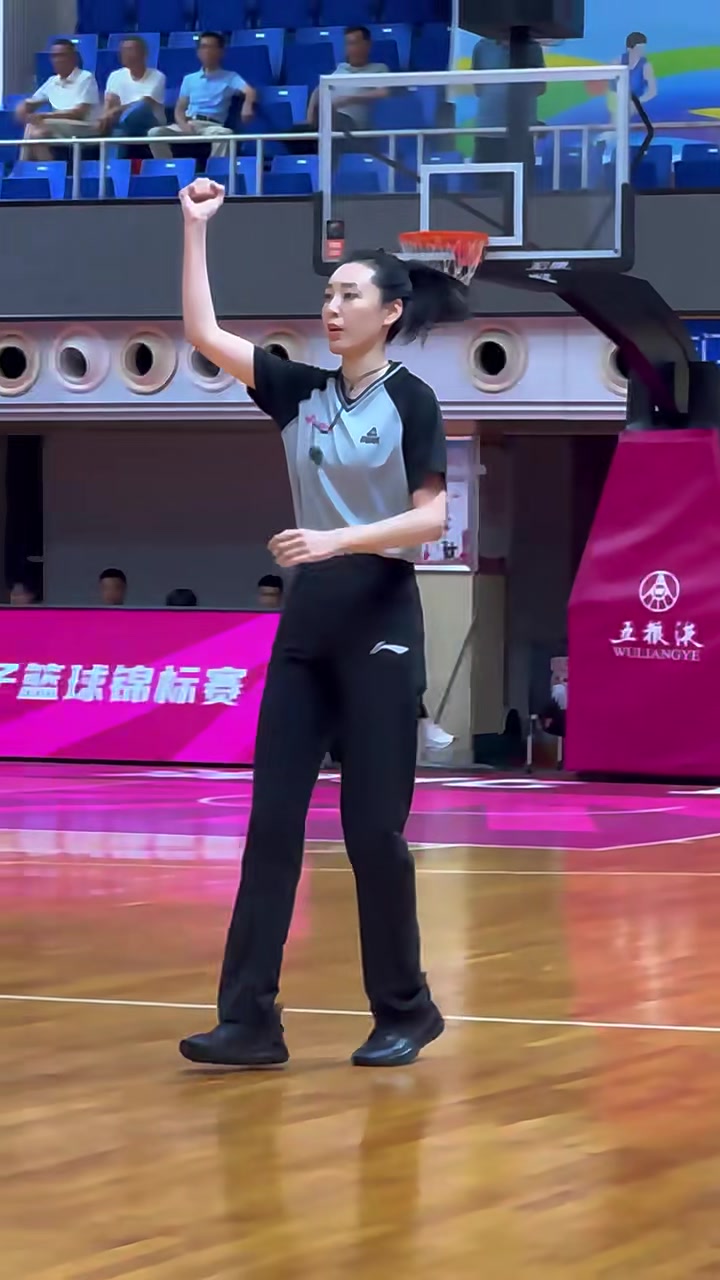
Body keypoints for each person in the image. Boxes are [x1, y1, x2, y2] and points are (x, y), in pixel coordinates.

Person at [177, 176, 468, 1069]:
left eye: (348, 295)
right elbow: (203, 333)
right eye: (328, 295)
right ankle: (249, 1022)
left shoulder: (411, 399)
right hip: (305, 630)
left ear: (389, 312)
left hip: (380, 619)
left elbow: (431, 519)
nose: (331, 308)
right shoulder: (298, 391)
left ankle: (406, 1010)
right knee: (272, 824)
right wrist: (195, 231)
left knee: (372, 832)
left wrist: (337, 539)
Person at [148, 32, 256, 160]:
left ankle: (216, 169)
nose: (207, 51)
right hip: (190, 122)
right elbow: (180, 109)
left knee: (225, 135)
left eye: (212, 47)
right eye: (203, 47)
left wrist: (247, 105)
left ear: (221, 52)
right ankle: (170, 167)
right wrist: (183, 125)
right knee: (155, 133)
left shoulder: (230, 77)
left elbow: (250, 91)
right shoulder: (189, 79)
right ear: (198, 52)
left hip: (212, 126)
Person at [471, 33, 545, 184]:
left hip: (520, 133)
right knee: (486, 189)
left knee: (522, 186)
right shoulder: (482, 47)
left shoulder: (531, 47)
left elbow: (540, 87)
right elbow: (478, 88)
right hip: (488, 131)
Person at [17, 39, 101, 161]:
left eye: (62, 55)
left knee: (36, 124)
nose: (57, 60)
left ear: (73, 58)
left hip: (84, 127)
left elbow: (79, 113)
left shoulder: (85, 78)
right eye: (54, 56)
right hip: (58, 126)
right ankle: (48, 169)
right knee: (37, 134)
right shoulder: (52, 81)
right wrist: (23, 107)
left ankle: (22, 165)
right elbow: (31, 102)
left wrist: (44, 116)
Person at [306, 26, 389, 131]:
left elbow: (384, 92)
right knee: (295, 132)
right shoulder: (340, 68)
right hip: (327, 122)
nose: (350, 49)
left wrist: (348, 99)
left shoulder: (379, 69)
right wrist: (309, 122)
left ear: (367, 45)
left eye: (354, 43)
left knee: (331, 114)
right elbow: (317, 92)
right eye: (347, 44)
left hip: (353, 125)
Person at [101, 37, 166, 149]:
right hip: (121, 123)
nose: (125, 53)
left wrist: (116, 110)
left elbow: (145, 102)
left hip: (150, 121)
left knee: (139, 108)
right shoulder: (115, 76)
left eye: (130, 49)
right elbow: (110, 103)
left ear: (144, 53)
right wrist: (105, 117)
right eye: (123, 50)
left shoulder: (157, 76)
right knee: (114, 129)